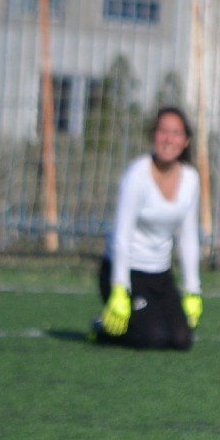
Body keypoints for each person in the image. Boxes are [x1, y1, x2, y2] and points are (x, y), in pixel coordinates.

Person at [91, 106, 203, 350]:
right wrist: (120, 288)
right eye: (163, 131)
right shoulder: (136, 175)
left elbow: (188, 238)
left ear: (185, 141)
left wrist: (193, 290)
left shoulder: (191, 179)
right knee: (154, 338)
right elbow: (121, 236)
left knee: (181, 340)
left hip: (160, 275)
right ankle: (103, 328)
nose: (168, 139)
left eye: (175, 133)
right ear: (153, 135)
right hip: (127, 272)